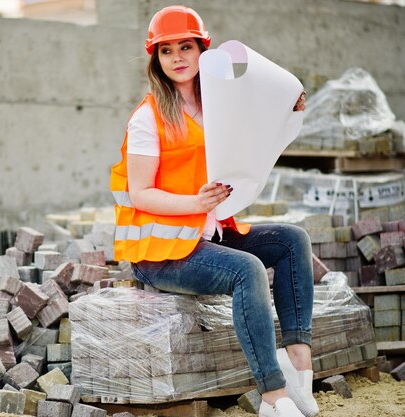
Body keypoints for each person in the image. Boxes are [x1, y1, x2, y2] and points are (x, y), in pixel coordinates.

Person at [110, 5, 317, 417]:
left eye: (185, 47)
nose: (177, 58)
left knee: (293, 241)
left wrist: (286, 108)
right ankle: (272, 397)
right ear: (156, 60)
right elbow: (141, 192)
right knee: (248, 270)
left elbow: (257, 128)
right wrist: (195, 203)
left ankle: (299, 366)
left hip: (207, 231)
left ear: (203, 50)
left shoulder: (219, 103)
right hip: (161, 252)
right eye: (167, 51)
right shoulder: (148, 118)